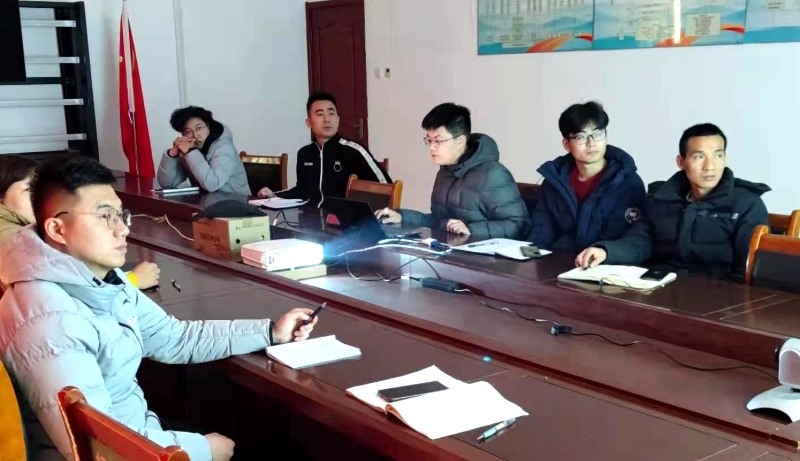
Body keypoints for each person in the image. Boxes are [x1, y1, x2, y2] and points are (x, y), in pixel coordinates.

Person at [0, 157, 318, 461]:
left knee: (274, 442)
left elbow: (173, 337)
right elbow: (97, 446)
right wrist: (201, 450)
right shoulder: (50, 321)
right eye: (104, 217)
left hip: (139, 433)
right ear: (57, 229)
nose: (122, 229)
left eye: (120, 215)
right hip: (123, 450)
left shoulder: (100, 278)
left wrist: (269, 331)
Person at [575, 123, 770, 282]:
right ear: (681, 162)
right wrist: (605, 251)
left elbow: (746, 272)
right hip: (661, 290)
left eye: (718, 155)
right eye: (699, 157)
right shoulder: (662, 199)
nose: (710, 166)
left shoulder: (746, 205)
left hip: (717, 300)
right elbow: (640, 241)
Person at [0, 155, 160, 290]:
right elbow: (56, 294)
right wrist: (132, 281)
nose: (38, 197)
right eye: (29, 190)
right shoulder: (9, 238)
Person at [377, 103, 529, 239]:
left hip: (486, 257)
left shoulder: (493, 174)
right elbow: (439, 221)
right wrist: (402, 217)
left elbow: (519, 224)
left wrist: (471, 230)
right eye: (429, 140)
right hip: (453, 251)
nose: (432, 147)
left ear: (460, 141)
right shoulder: (445, 172)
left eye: (438, 141)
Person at [528, 101, 645, 253]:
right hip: (557, 260)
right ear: (566, 144)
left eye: (597, 134)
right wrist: (530, 256)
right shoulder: (555, 182)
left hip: (604, 262)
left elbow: (621, 238)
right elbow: (541, 232)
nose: (591, 143)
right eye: (581, 137)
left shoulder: (627, 183)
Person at [257, 92, 390, 207]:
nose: (327, 119)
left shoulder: (353, 151)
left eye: (331, 113)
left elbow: (386, 187)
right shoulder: (305, 153)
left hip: (345, 223)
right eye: (320, 114)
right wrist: (274, 196)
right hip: (311, 220)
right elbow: (301, 191)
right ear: (309, 123)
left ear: (338, 119)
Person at [157, 106, 251, 195]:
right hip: (206, 202)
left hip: (235, 202)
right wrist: (171, 155)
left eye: (199, 128)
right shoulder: (189, 149)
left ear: (208, 126)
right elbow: (167, 184)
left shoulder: (224, 147)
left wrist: (191, 152)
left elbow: (212, 184)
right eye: (188, 131)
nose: (195, 135)